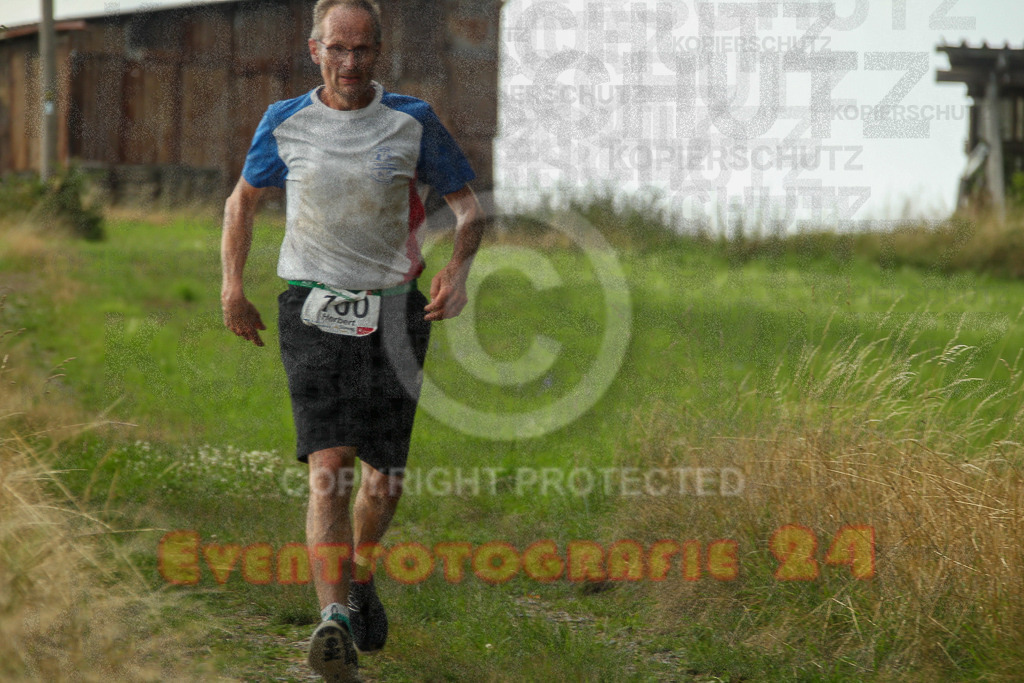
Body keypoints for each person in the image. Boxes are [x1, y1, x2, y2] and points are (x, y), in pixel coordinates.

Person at [220, 1, 484, 679]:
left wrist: (455, 270)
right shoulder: (285, 121)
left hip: (396, 312)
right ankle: (333, 618)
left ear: (379, 52)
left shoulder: (412, 120)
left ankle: (361, 574)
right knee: (330, 465)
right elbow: (242, 202)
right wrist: (232, 286)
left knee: (383, 481)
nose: (350, 64)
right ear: (314, 50)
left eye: (363, 50)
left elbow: (468, 209)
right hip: (310, 306)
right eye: (337, 49)